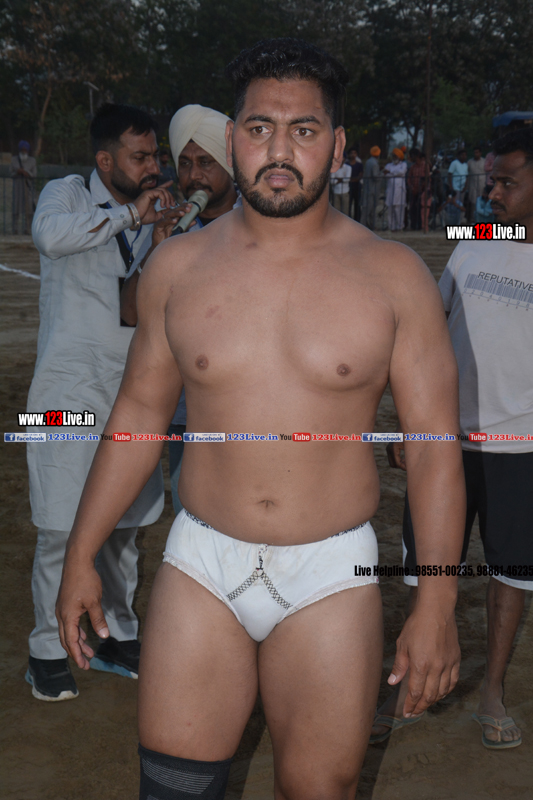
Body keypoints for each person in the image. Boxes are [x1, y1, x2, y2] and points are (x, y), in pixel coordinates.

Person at [57, 39, 464, 799]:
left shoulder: (395, 277)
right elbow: (138, 415)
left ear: (336, 147)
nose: (279, 152)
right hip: (201, 563)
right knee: (172, 787)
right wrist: (82, 552)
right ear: (231, 139)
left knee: (317, 790)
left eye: (303, 130)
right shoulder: (178, 268)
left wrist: (437, 600)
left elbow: (435, 450)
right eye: (259, 129)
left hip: (331, 574)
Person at [374, 127, 533, 750]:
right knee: (425, 567)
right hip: (443, 442)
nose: (491, 193)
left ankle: (491, 690)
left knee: (512, 574)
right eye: (491, 181)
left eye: (506, 182)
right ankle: (407, 684)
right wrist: (409, 423)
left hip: (521, 451)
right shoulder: (476, 241)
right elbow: (426, 333)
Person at [25, 103, 177, 702]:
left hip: (128, 390)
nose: (152, 167)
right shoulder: (66, 193)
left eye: (155, 155)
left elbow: (134, 308)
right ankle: (45, 649)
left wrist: (158, 240)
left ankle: (116, 633)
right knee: (60, 527)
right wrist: (132, 215)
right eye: (140, 157)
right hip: (60, 393)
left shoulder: (152, 213)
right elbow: (49, 237)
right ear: (105, 160)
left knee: (124, 526)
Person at [120, 104, 238, 514]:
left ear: (229, 164)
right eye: (185, 164)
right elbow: (130, 314)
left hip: (249, 408)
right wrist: (157, 251)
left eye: (206, 162)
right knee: (195, 516)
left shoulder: (261, 224)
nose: (194, 176)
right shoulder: (170, 226)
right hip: (186, 412)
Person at [11, 140, 37, 234]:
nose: (23, 151)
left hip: (27, 187)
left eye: (25, 150)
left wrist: (26, 172)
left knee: (29, 209)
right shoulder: (14, 160)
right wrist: (17, 172)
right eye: (22, 149)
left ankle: (27, 229)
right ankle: (15, 229)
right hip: (17, 187)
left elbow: (34, 174)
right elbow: (11, 173)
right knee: (16, 208)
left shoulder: (32, 161)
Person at [383, 147, 407, 231]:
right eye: (393, 156)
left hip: (399, 191)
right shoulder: (389, 165)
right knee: (390, 209)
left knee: (398, 209)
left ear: (400, 157)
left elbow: (401, 172)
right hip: (390, 190)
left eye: (396, 156)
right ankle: (391, 227)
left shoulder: (403, 165)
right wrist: (393, 173)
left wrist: (390, 172)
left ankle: (399, 227)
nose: (394, 158)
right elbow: (386, 175)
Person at [361, 145, 381, 229]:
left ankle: (370, 225)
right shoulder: (374, 163)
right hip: (373, 189)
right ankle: (363, 226)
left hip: (368, 188)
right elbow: (375, 176)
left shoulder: (368, 161)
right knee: (369, 209)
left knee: (368, 209)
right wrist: (382, 174)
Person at [407, 148, 426, 230]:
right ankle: (413, 225)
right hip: (414, 191)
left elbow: (427, 178)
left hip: (422, 191)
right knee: (413, 208)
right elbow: (409, 178)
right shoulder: (412, 167)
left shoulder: (425, 166)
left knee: (420, 208)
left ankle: (420, 225)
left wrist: (422, 188)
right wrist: (411, 187)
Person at [467, 147, 486, 221]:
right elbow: (467, 172)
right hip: (472, 184)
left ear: (480, 153)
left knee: (481, 200)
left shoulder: (484, 161)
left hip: (482, 184)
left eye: (477, 152)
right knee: (473, 201)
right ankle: (473, 218)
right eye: (475, 152)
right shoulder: (470, 162)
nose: (476, 154)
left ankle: (482, 218)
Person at [347, 146, 363, 220]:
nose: (353, 155)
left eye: (355, 153)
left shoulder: (359, 165)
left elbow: (360, 176)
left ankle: (357, 220)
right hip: (348, 187)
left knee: (357, 204)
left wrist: (350, 179)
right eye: (351, 153)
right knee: (348, 204)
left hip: (357, 187)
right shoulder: (346, 164)